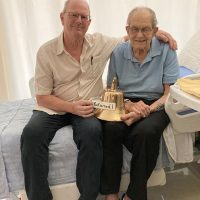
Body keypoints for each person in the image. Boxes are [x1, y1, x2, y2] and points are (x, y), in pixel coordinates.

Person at [20, 0, 177, 199]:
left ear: (89, 21)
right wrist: (72, 107)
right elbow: (42, 96)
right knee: (31, 135)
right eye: (73, 15)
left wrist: (160, 33)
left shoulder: (101, 43)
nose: (79, 21)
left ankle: (90, 196)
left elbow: (133, 38)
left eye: (83, 17)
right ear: (62, 17)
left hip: (97, 106)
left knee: (94, 132)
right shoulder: (46, 51)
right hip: (55, 107)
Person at [100, 7, 179, 200]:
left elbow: (169, 94)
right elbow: (112, 90)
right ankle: (110, 195)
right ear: (127, 30)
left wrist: (145, 110)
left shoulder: (167, 50)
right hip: (125, 100)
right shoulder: (118, 52)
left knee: (146, 133)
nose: (140, 35)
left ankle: (132, 196)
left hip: (156, 102)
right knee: (110, 128)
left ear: (154, 30)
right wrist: (128, 105)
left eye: (146, 29)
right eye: (134, 29)